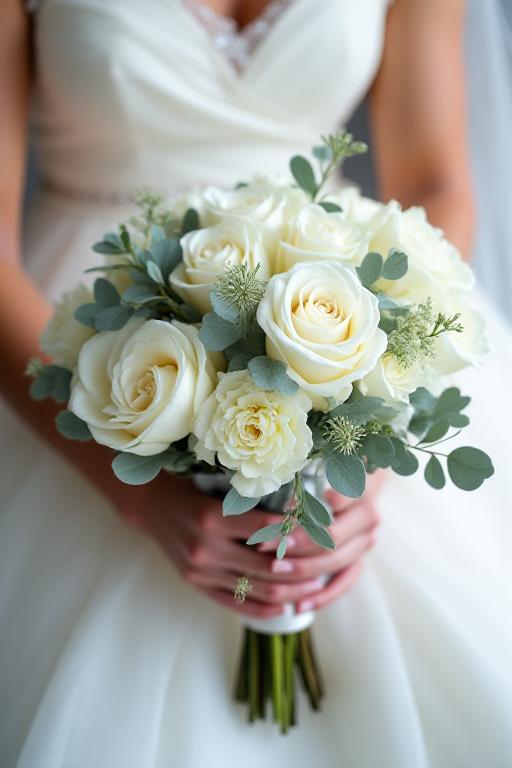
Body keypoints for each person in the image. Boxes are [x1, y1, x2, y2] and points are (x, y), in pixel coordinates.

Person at [0, 1, 510, 766]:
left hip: (339, 304)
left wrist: (366, 434)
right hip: (81, 332)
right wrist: (135, 491)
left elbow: (435, 178)